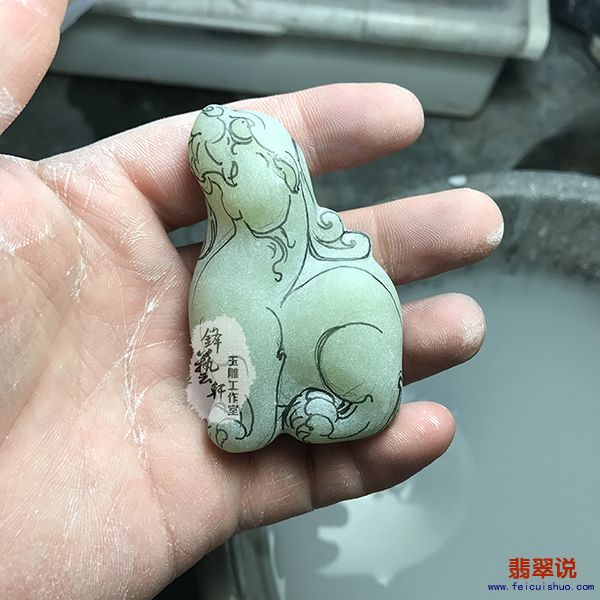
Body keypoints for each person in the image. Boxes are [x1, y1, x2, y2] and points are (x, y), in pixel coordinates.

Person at [0, 1, 503, 598]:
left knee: (324, 340)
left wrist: (248, 423)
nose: (224, 145)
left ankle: (350, 408)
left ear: (287, 183)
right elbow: (231, 341)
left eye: (242, 147)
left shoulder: (254, 268)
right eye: (224, 149)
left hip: (338, 360)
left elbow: (251, 339)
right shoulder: (233, 261)